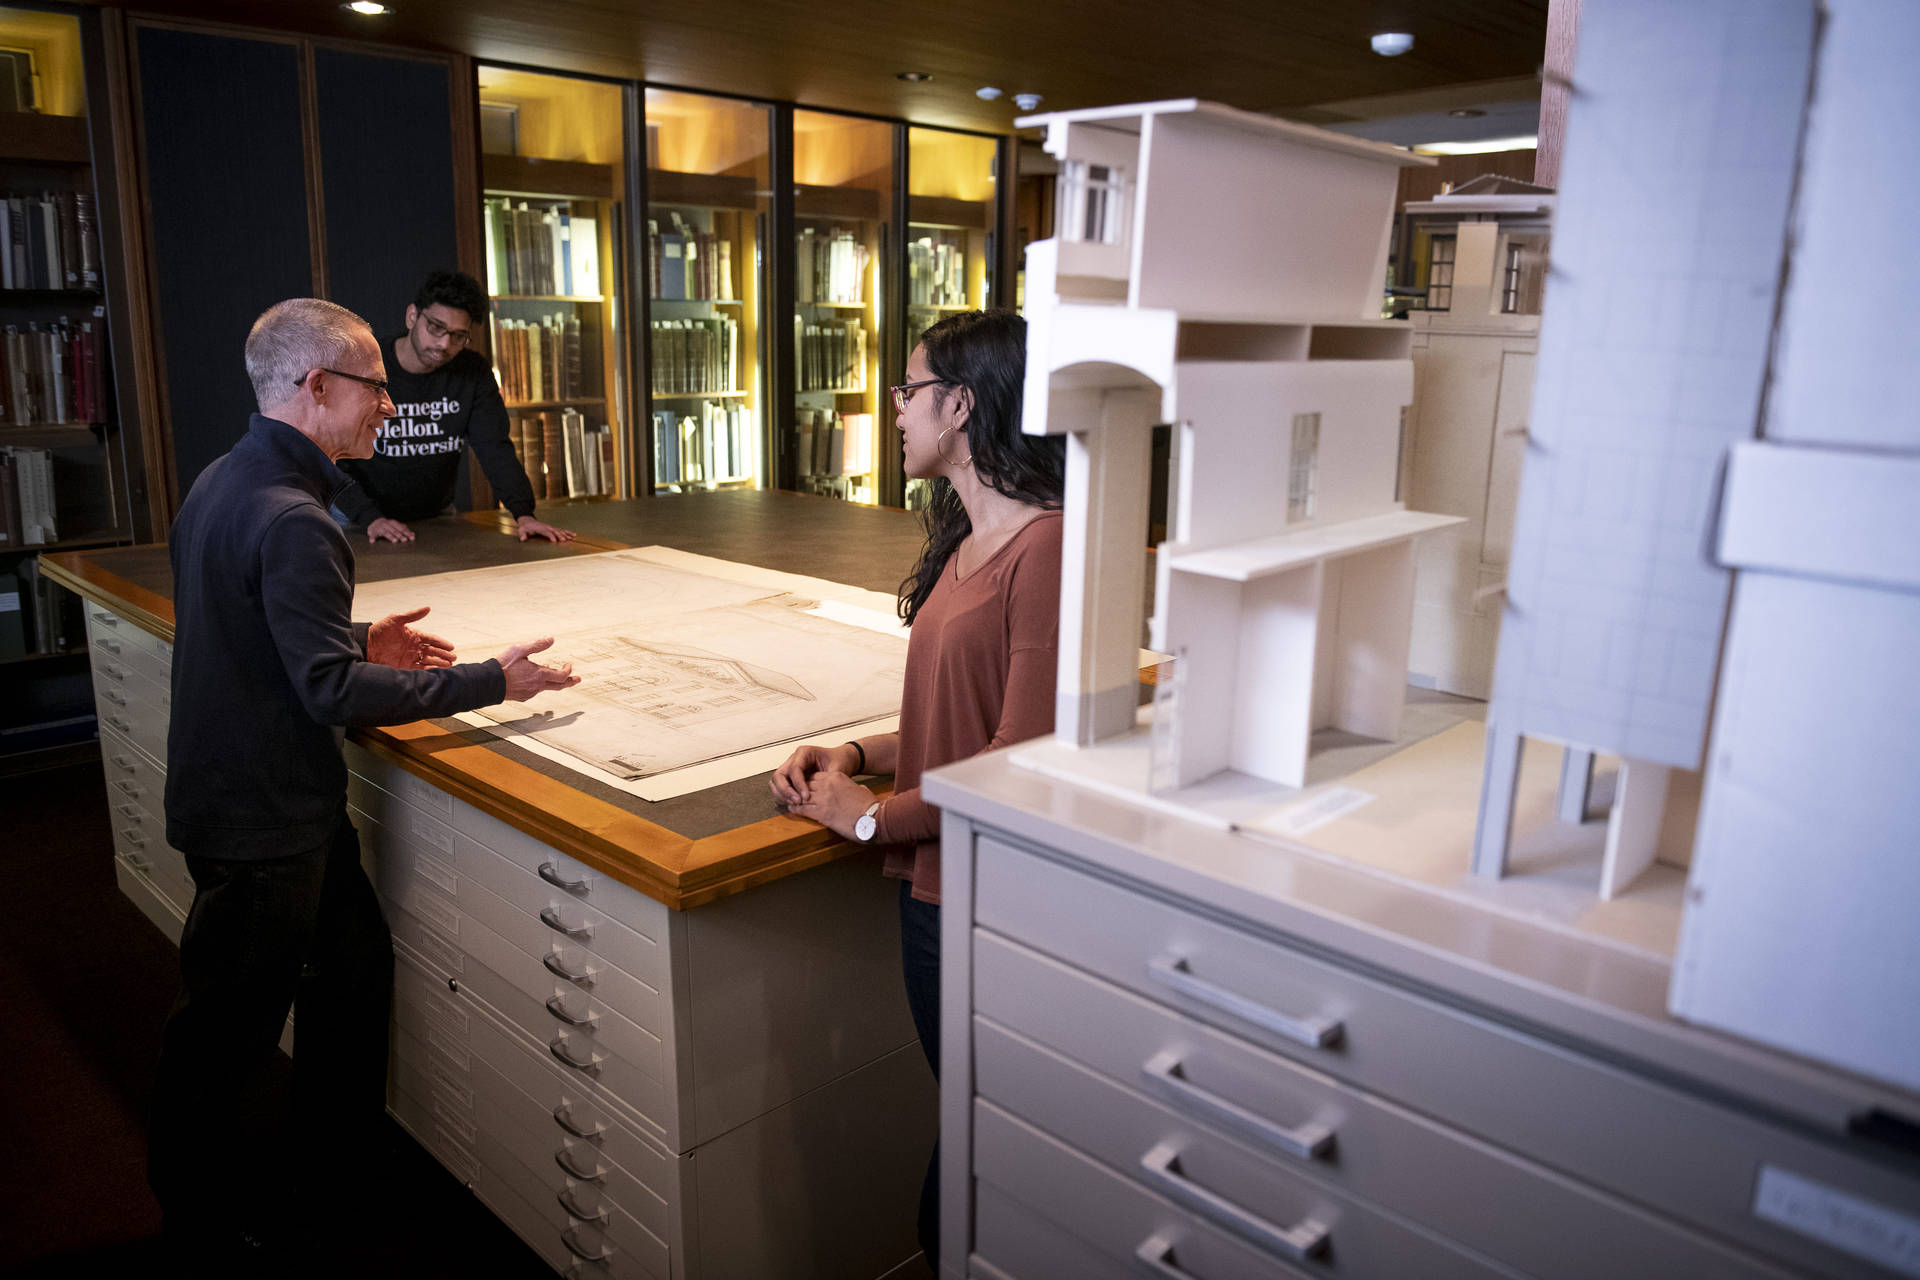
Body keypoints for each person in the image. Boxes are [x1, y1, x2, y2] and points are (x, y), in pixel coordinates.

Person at [151, 297, 581, 1270]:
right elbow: (328, 693)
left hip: (244, 796)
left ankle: (328, 1174)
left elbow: (257, 629)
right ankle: (200, 1221)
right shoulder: (299, 518)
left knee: (349, 967)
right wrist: (490, 680)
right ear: (316, 388)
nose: (390, 406)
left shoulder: (223, 482)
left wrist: (352, 635)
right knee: (224, 1029)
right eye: (375, 388)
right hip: (267, 818)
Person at [769, 309, 1065, 1264]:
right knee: (973, 1124)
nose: (894, 409)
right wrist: (855, 755)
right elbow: (953, 721)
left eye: (908, 390)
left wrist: (868, 825)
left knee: (979, 1137)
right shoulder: (968, 539)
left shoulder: (1045, 548)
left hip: (981, 902)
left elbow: (1011, 764)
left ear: (962, 404)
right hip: (932, 891)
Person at [332, 269, 574, 544]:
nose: (444, 344)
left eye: (458, 336)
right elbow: (335, 455)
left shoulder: (472, 372)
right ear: (413, 316)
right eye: (436, 327)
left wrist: (524, 514)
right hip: (357, 521)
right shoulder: (367, 365)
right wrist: (369, 517)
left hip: (436, 517)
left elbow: (494, 446)